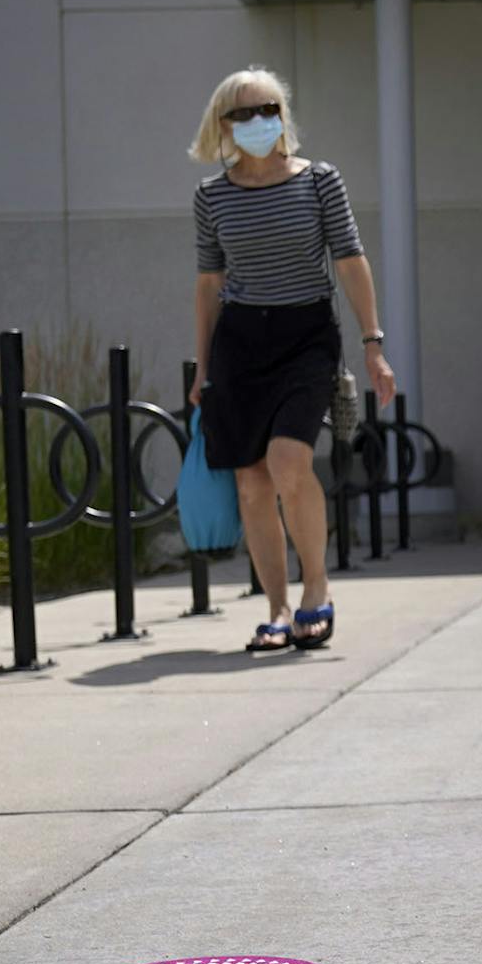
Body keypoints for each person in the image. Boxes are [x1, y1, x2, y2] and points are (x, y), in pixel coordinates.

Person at [188, 68, 395, 653]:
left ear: (283, 115)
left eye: (268, 109)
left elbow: (350, 260)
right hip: (239, 344)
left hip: (306, 336)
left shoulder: (320, 181)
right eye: (244, 114)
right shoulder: (211, 196)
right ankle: (276, 608)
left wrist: (372, 344)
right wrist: (202, 367)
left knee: (288, 464)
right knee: (252, 484)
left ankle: (317, 590)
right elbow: (209, 282)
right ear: (223, 125)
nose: (259, 123)